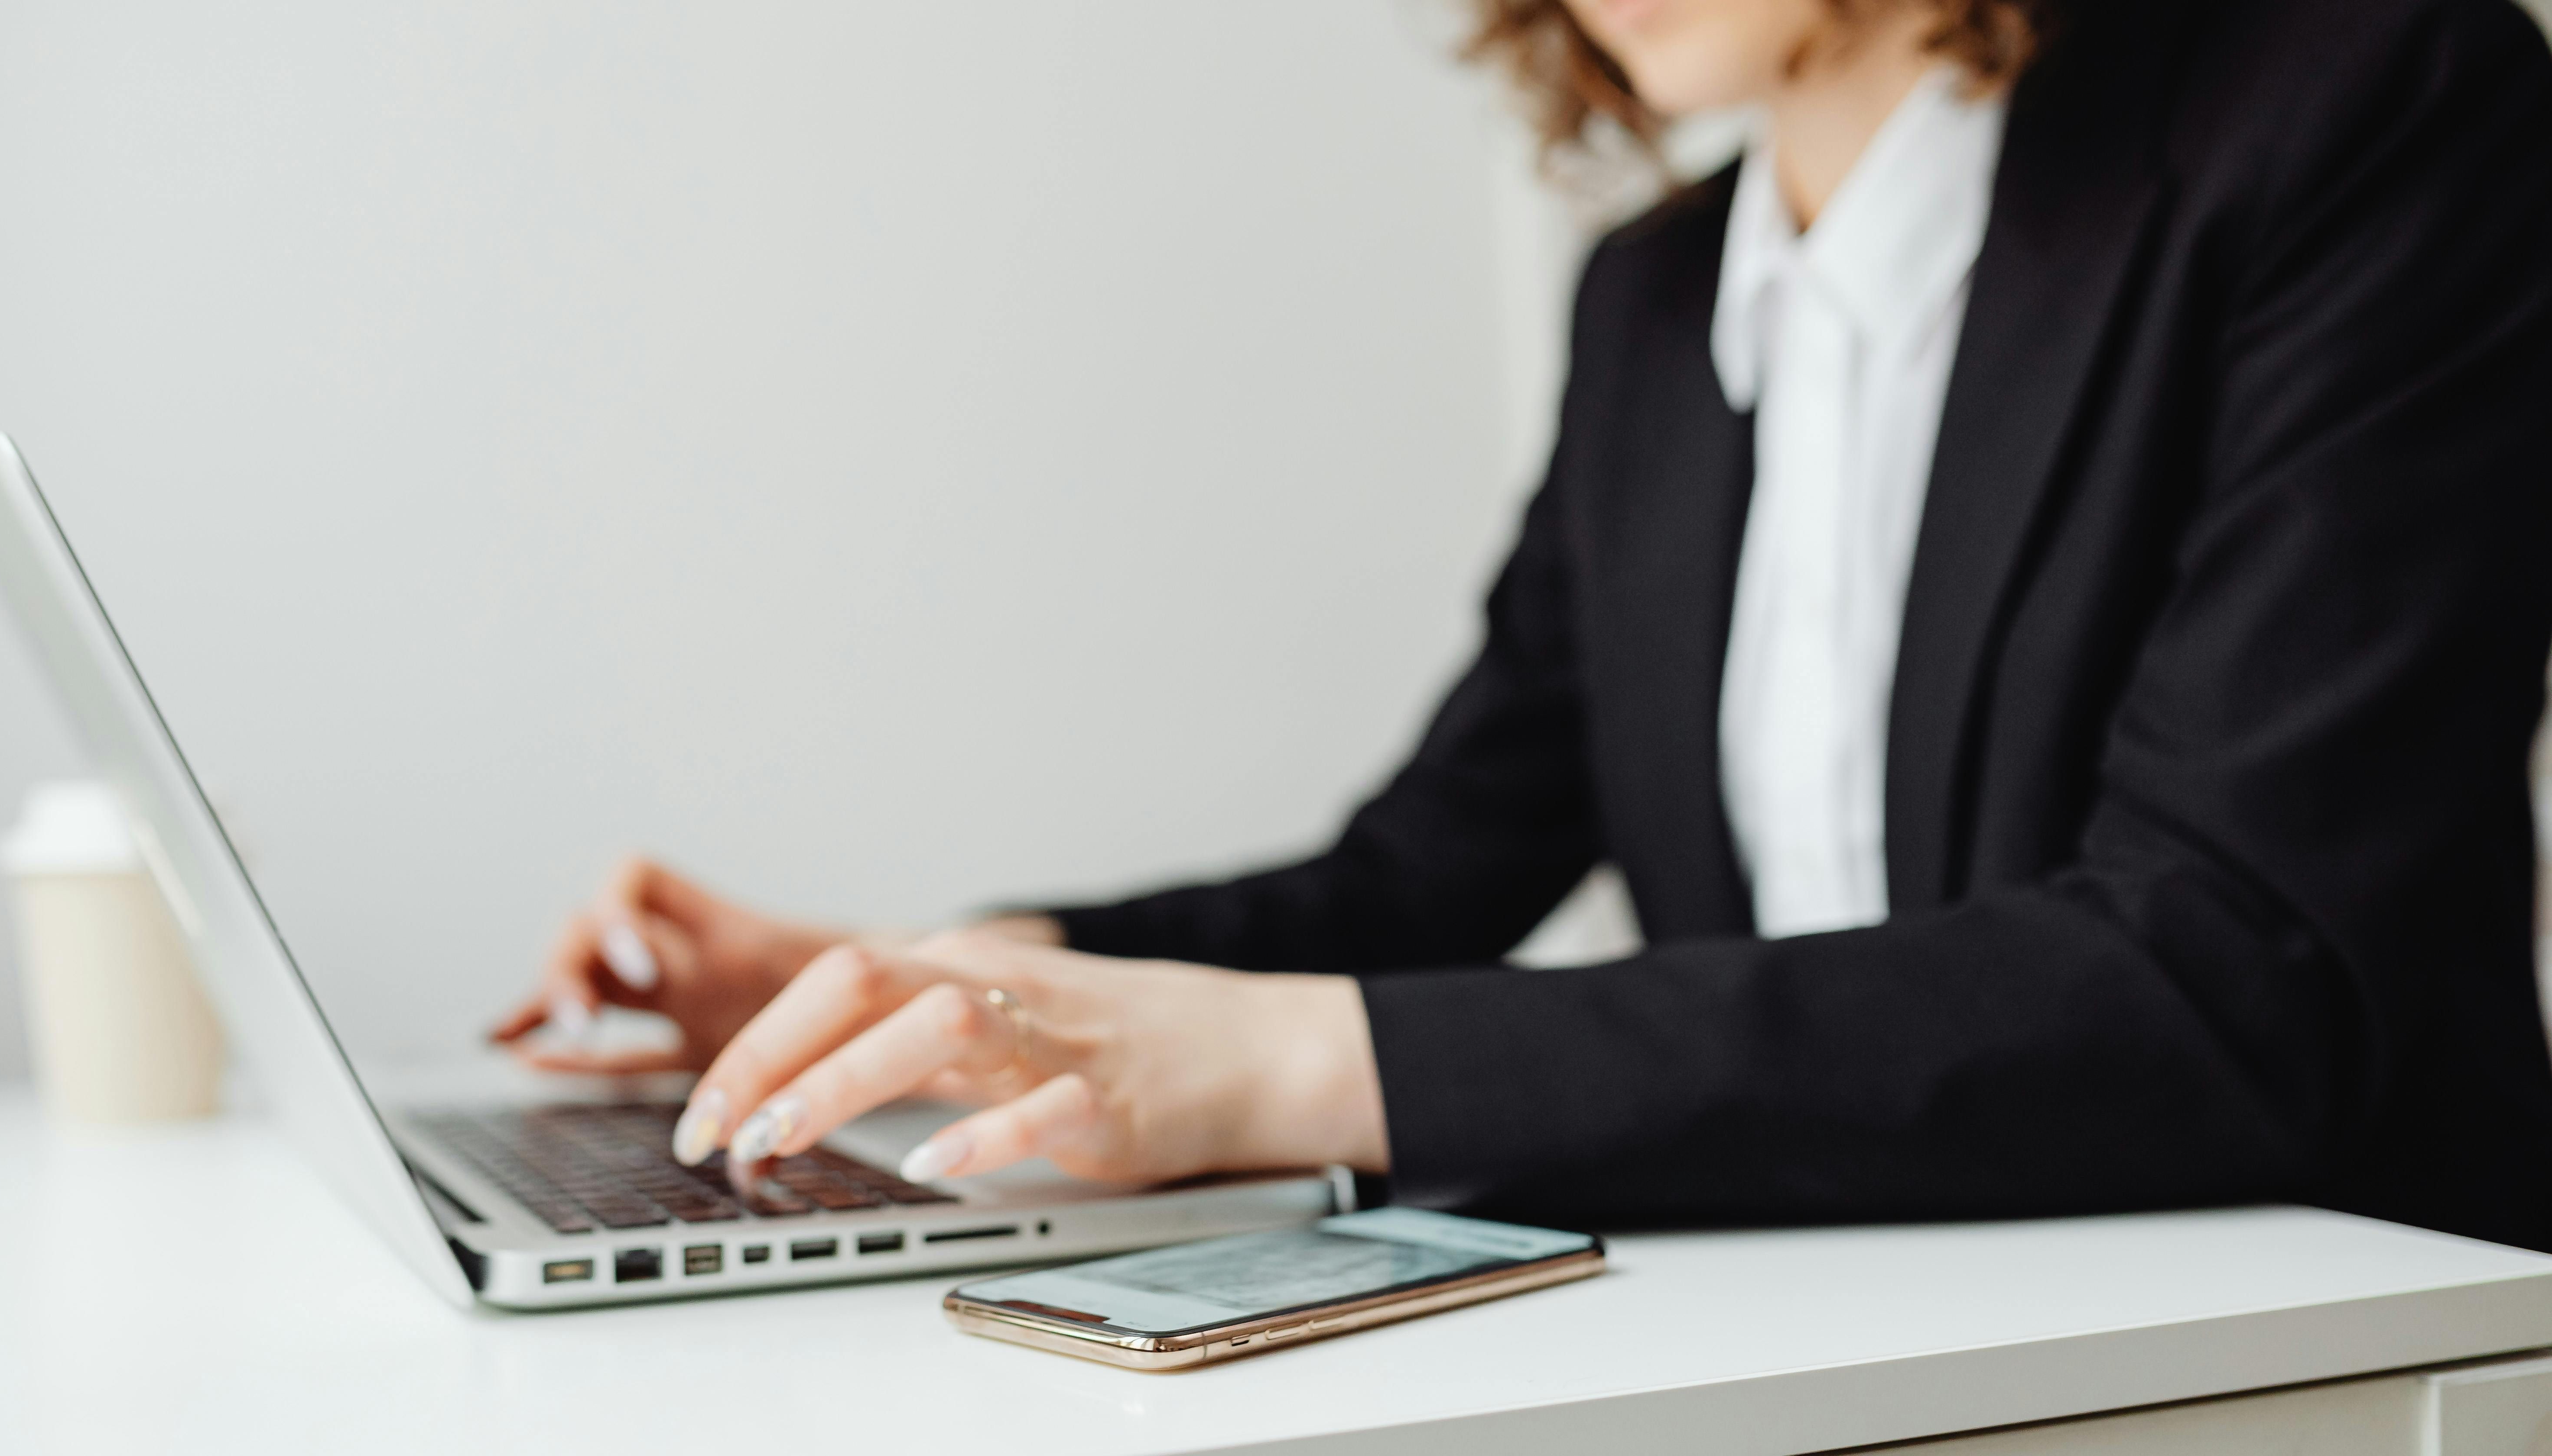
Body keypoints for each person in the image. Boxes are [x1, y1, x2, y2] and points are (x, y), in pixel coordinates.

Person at [492, 0, 2552, 1250]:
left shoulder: (2372, 110)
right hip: (1863, 1323)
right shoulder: (1658, 306)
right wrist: (951, 985)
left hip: (2319, 1340)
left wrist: (1299, 1067)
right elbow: (1435, 866)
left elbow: (2235, 977)